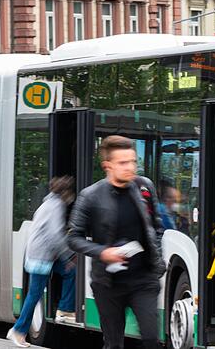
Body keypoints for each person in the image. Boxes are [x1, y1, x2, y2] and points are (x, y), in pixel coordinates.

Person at [68, 135, 165, 349]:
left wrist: (157, 259)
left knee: (151, 339)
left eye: (133, 161)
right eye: (123, 163)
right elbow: (73, 237)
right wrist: (103, 252)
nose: (130, 167)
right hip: (108, 283)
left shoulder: (144, 188)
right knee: (113, 344)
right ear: (107, 166)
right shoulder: (90, 196)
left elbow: (157, 227)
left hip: (144, 279)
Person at [7, 176, 78, 348]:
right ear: (65, 193)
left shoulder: (47, 203)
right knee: (34, 295)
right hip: (41, 257)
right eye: (70, 193)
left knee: (70, 272)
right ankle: (18, 331)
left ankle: (65, 309)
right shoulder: (56, 206)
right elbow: (55, 235)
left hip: (42, 254)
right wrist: (67, 255)